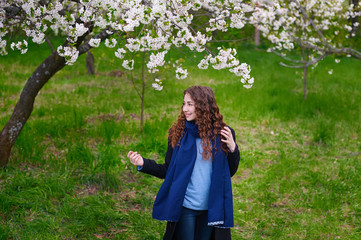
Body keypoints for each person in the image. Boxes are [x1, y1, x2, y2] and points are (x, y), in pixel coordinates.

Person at [127, 86, 240, 240]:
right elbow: (168, 170)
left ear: (203, 106)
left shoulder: (223, 134)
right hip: (186, 205)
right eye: (184, 104)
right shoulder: (178, 133)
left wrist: (233, 148)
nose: (185, 109)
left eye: (190, 104)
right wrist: (143, 163)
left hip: (211, 207)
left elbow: (230, 172)